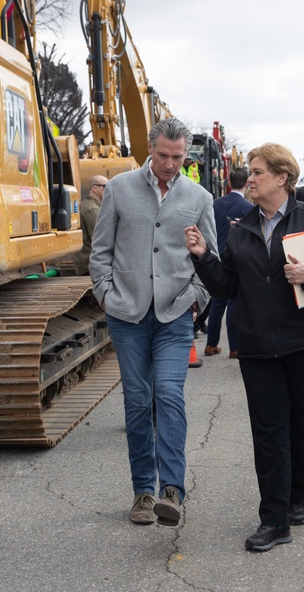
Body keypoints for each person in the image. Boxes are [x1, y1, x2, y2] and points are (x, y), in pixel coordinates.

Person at [185, 142, 304, 552]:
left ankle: (297, 497)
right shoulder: (242, 225)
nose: (250, 178)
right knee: (269, 432)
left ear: (282, 177)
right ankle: (275, 519)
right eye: (250, 171)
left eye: (258, 171)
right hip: (259, 345)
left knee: (301, 424)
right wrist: (203, 257)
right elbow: (227, 286)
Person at [89, 117, 218, 527]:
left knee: (169, 395)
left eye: (177, 157)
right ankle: (143, 491)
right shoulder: (120, 189)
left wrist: (197, 297)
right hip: (127, 313)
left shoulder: (198, 196)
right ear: (150, 148)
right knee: (138, 400)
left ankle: (172, 492)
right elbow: (100, 251)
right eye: (163, 155)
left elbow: (208, 258)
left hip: (175, 314)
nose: (169, 164)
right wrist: (106, 295)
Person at [204, 167, 254, 358]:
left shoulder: (216, 203)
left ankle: (211, 344)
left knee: (217, 303)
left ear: (229, 183)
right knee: (233, 303)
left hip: (217, 256)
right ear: (247, 183)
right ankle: (234, 347)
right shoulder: (249, 208)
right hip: (236, 259)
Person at [73, 175, 107, 275]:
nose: (108, 189)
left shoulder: (88, 205)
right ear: (94, 188)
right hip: (90, 265)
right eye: (105, 186)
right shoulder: (92, 209)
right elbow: (98, 240)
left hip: (88, 263)